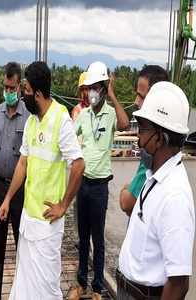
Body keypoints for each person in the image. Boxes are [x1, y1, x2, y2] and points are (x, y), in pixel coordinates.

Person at [0, 61, 85, 300]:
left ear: (37, 93)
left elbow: (78, 165)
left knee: (46, 289)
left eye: (25, 90)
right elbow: (23, 163)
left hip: (47, 226)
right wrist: (7, 199)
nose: (22, 95)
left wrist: (63, 206)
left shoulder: (61, 120)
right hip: (28, 219)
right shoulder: (32, 122)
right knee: (25, 286)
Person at [118, 81, 195, 299]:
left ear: (160, 137)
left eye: (143, 129)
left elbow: (179, 284)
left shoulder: (174, 196)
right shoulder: (155, 176)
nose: (138, 138)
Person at [68, 61, 129, 300]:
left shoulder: (111, 114)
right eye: (88, 87)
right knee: (82, 238)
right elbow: (69, 138)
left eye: (95, 87)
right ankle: (81, 283)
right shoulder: (82, 115)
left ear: (103, 88)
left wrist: (113, 95)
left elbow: (125, 124)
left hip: (100, 187)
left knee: (98, 239)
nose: (90, 91)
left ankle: (96, 288)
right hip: (83, 184)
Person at [0, 62, 30, 300]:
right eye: (5, 87)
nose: (8, 91)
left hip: (21, 190)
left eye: (12, 87)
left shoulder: (29, 118)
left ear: (20, 87)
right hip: (0, 186)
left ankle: (21, 292)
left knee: (22, 243)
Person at [119, 65, 169, 216]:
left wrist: (125, 190)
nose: (136, 101)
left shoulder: (153, 150)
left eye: (141, 96)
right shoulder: (163, 146)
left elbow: (127, 203)